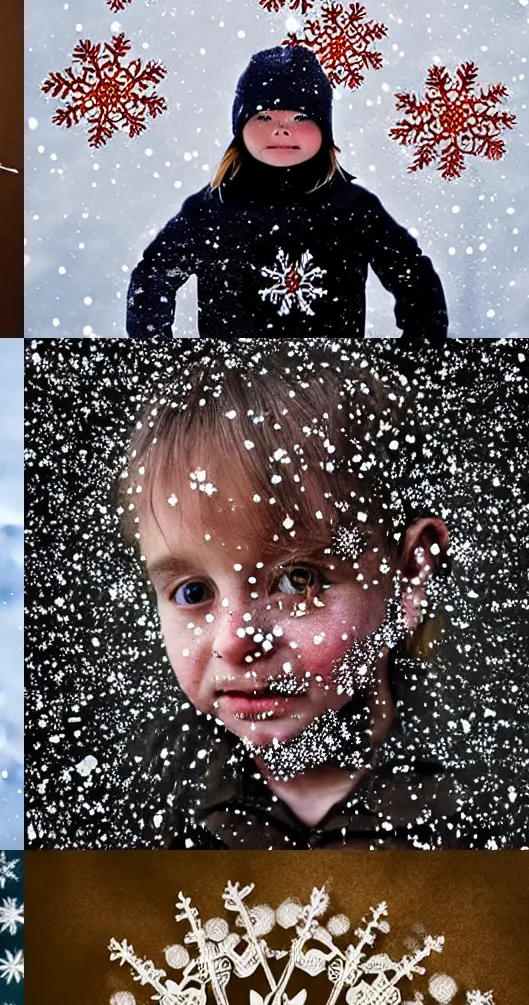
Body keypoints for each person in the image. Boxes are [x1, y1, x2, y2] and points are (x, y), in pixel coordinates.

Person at [117, 347, 459, 847]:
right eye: (193, 592)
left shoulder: (488, 807)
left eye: (298, 580)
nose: (234, 641)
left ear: (407, 575)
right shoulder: (142, 799)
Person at [125, 46, 448, 340]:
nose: (281, 128)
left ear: (324, 129)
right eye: (264, 116)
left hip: (333, 388)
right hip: (232, 389)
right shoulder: (211, 211)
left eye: (301, 116)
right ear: (241, 127)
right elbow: (153, 278)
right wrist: (160, 361)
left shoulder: (354, 208)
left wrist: (416, 359)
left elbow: (414, 279)